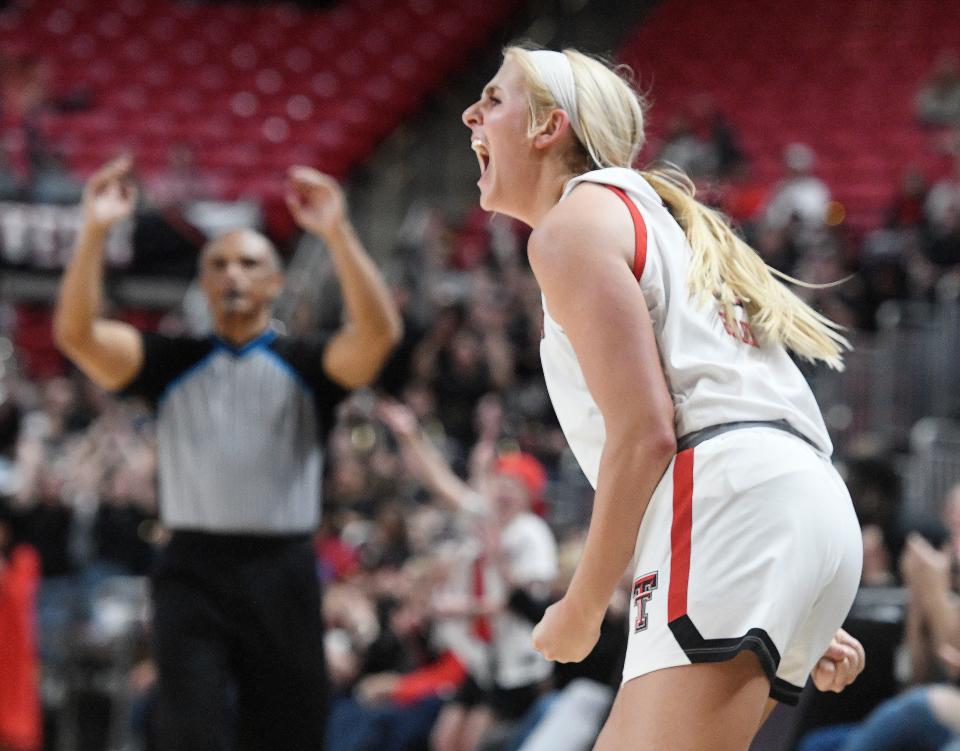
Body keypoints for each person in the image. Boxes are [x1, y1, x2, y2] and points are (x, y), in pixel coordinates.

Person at [461, 46, 865, 749]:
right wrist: (789, 579)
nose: (471, 112)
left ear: (549, 127)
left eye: (495, 99)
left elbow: (645, 433)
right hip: (799, 502)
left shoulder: (573, 227)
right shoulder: (662, 222)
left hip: (729, 499)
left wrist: (583, 604)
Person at [52, 155, 402, 751]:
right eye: (218, 264)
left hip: (285, 570)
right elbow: (78, 335)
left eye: (249, 263)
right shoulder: (172, 362)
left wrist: (337, 233)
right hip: (191, 569)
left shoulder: (307, 366)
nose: (233, 274)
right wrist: (93, 230)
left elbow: (379, 336)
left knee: (290, 734)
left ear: (276, 283)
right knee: (191, 733)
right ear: (203, 283)